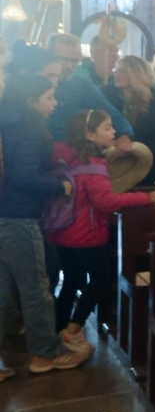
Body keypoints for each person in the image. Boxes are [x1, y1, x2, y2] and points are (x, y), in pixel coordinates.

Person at [47, 110, 155, 349]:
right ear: (89, 133)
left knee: (71, 280)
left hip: (62, 231)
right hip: (84, 234)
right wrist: (147, 197)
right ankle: (73, 329)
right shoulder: (93, 165)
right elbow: (107, 202)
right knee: (102, 278)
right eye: (107, 127)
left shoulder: (72, 159)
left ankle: (57, 332)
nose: (113, 132)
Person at [0, 74, 90, 374]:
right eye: (49, 97)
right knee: (35, 288)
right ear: (31, 101)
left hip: (4, 215)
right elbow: (23, 177)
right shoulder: (30, 131)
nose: (55, 103)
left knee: (4, 289)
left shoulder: (9, 124)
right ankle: (45, 354)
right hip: (19, 217)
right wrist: (58, 186)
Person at [43, 35, 134, 151]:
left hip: (69, 154)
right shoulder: (28, 84)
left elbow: (110, 112)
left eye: (74, 60)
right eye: (63, 59)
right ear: (49, 56)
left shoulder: (83, 86)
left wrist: (125, 135)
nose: (69, 66)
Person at [104, 56, 155, 176]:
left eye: (122, 71)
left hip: (141, 166)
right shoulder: (105, 95)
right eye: (116, 70)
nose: (116, 74)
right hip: (109, 164)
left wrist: (132, 150)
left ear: (137, 73)